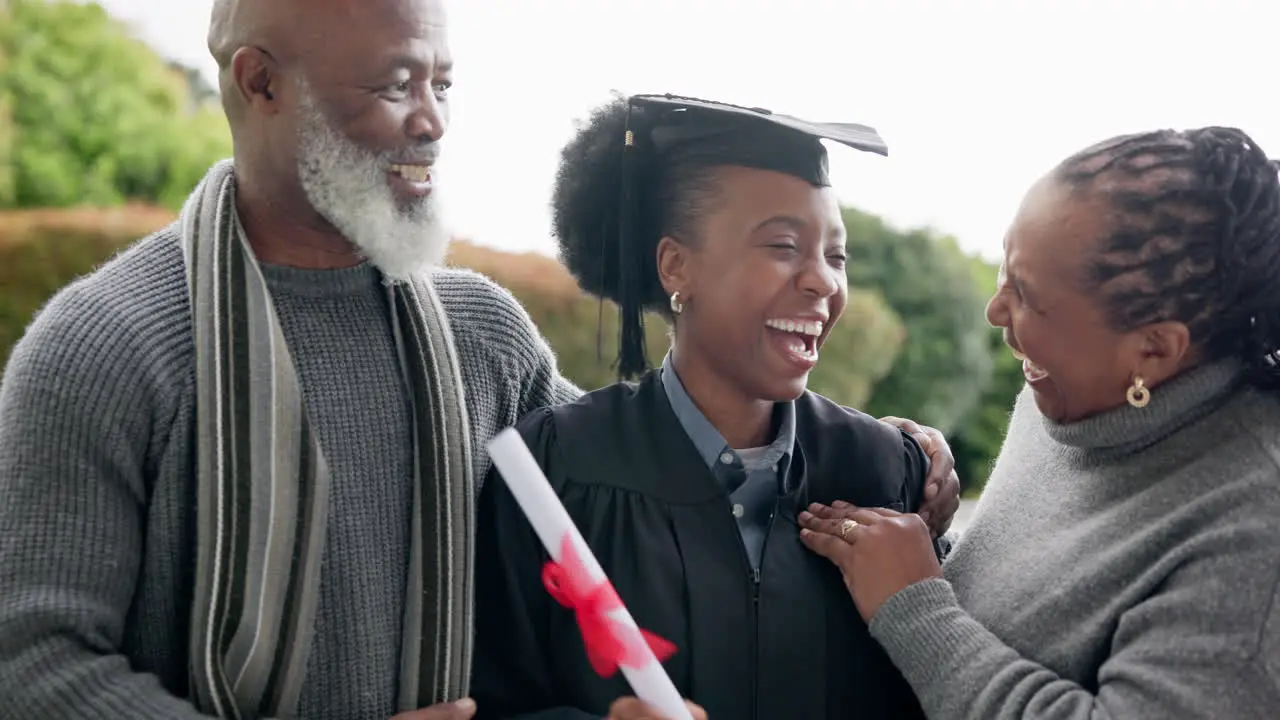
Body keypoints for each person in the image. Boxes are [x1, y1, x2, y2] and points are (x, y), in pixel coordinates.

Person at [0, 4, 962, 720]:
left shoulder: (480, 335)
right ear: (260, 81)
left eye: (442, 84)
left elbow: (636, 498)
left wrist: (893, 466)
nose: (433, 121)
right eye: (393, 86)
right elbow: (32, 666)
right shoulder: (112, 345)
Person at [469, 94, 957, 720]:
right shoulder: (558, 470)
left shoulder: (883, 471)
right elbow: (494, 698)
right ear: (677, 266)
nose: (823, 281)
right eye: (784, 246)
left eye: (836, 255)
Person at [799, 127, 1280, 718]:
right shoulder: (1074, 393)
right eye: (1007, 268)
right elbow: (1030, 621)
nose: (995, 307)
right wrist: (922, 518)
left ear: (1153, 350)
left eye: (1027, 295)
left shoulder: (1256, 540)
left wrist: (914, 604)